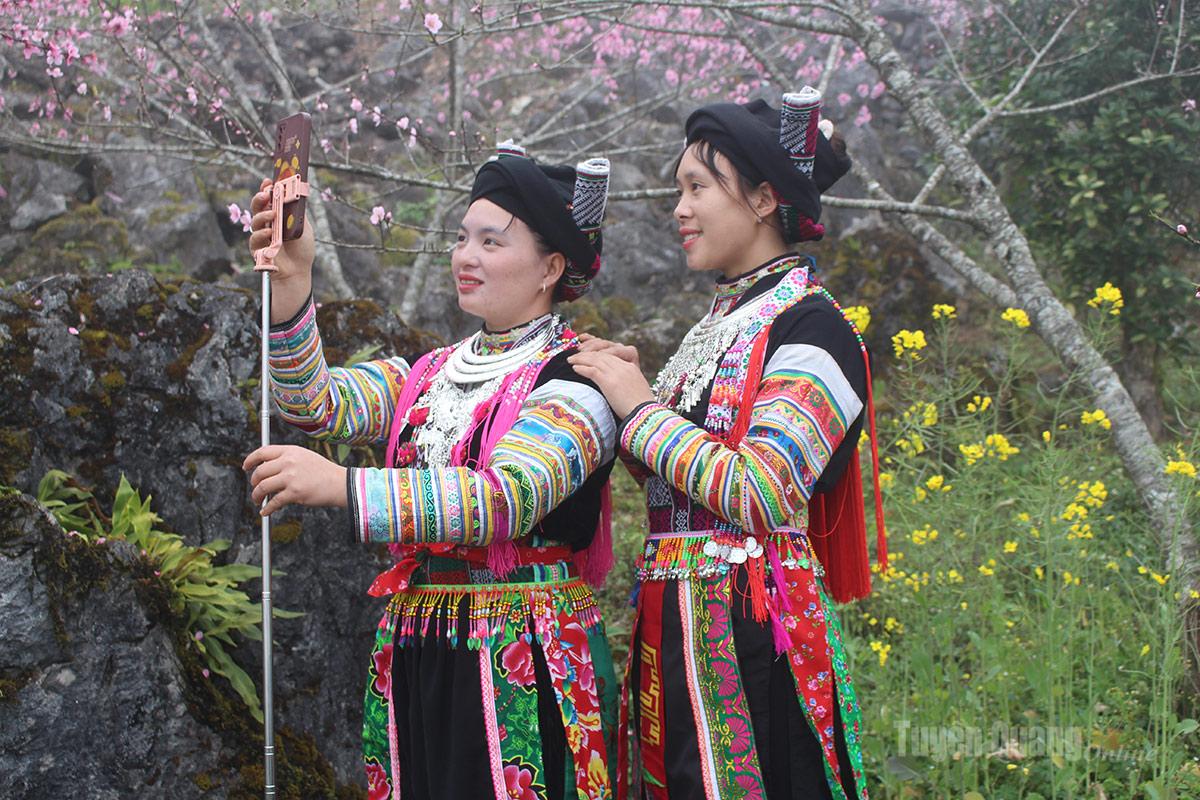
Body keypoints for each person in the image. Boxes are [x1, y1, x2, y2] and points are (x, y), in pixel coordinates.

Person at [243, 143, 621, 800]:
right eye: (461, 237)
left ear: (550, 266)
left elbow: (505, 499)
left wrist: (342, 486)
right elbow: (314, 402)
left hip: (526, 650)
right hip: (420, 642)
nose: (465, 256)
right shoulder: (429, 374)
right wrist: (294, 279)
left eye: (491, 242)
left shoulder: (582, 379)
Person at [569, 89, 885, 800]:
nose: (679, 209)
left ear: (765, 197)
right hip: (673, 614)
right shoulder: (721, 320)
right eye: (678, 190)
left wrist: (639, 404)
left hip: (752, 625)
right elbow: (677, 471)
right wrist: (612, 392)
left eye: (697, 188)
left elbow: (760, 490)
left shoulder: (815, 328)